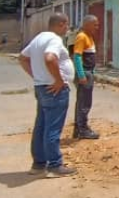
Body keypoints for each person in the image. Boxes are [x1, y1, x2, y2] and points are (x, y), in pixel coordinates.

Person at [18, 14, 77, 178]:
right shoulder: (54, 40)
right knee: (53, 127)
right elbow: (50, 58)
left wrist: (37, 77)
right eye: (67, 26)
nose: (67, 29)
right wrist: (58, 80)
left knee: (41, 126)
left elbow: (22, 58)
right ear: (61, 24)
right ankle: (55, 164)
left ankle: (38, 164)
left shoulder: (39, 39)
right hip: (55, 90)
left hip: (42, 87)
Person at [72, 14, 100, 140]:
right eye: (95, 24)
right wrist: (81, 74)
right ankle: (82, 129)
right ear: (87, 24)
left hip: (89, 73)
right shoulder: (82, 37)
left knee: (82, 101)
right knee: (84, 102)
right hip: (85, 73)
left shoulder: (89, 37)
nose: (97, 27)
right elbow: (77, 56)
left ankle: (79, 128)